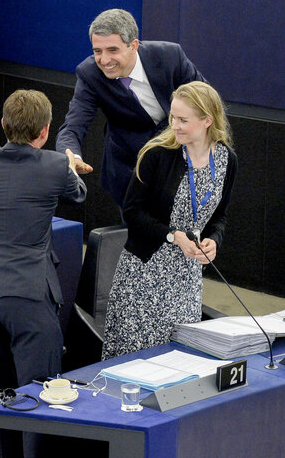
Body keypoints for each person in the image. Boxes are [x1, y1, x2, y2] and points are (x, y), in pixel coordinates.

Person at [0, 90, 86, 458]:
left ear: (3, 124)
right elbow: (76, 195)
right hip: (30, 298)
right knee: (40, 399)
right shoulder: (56, 166)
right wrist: (70, 163)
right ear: (45, 131)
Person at [101, 81, 237, 360]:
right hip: (145, 275)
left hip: (186, 278)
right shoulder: (157, 155)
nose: (174, 125)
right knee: (135, 359)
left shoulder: (226, 159)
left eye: (183, 120)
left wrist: (214, 240)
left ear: (207, 121)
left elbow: (218, 215)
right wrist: (172, 236)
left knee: (178, 358)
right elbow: (133, 212)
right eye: (173, 117)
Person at [56, 8, 206, 209]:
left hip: (180, 162)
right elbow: (72, 127)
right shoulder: (89, 74)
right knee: (141, 236)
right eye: (97, 51)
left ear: (133, 45)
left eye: (113, 50)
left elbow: (207, 105)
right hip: (129, 173)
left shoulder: (170, 56)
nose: (104, 60)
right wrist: (71, 158)